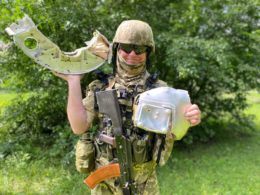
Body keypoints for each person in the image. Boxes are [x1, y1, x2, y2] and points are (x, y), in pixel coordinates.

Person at [55, 20, 201, 195]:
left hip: (144, 181)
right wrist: (73, 81)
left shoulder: (160, 91)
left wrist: (190, 118)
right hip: (105, 182)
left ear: (148, 52)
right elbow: (79, 127)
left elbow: (175, 131)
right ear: (116, 48)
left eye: (139, 49)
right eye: (126, 47)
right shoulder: (100, 87)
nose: (132, 54)